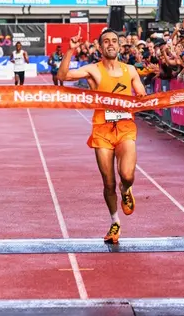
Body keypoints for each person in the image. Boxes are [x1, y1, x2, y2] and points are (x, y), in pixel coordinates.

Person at [56, 28, 146, 244]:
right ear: (100, 46)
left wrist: (144, 99)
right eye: (106, 41)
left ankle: (127, 189)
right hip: (102, 129)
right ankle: (115, 222)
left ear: (119, 45)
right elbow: (62, 76)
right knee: (108, 182)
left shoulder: (130, 70)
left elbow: (141, 96)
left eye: (114, 41)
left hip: (125, 127)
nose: (111, 44)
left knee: (126, 175)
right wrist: (70, 51)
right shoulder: (93, 70)